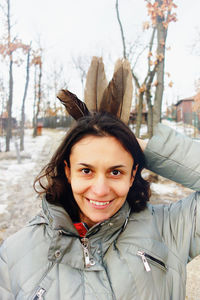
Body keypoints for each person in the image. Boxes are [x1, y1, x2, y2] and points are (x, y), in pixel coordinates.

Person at [0, 111, 200, 300]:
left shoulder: (169, 229)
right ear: (68, 171)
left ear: (132, 175)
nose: (100, 190)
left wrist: (143, 147)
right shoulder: (14, 254)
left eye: (115, 172)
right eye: (86, 171)